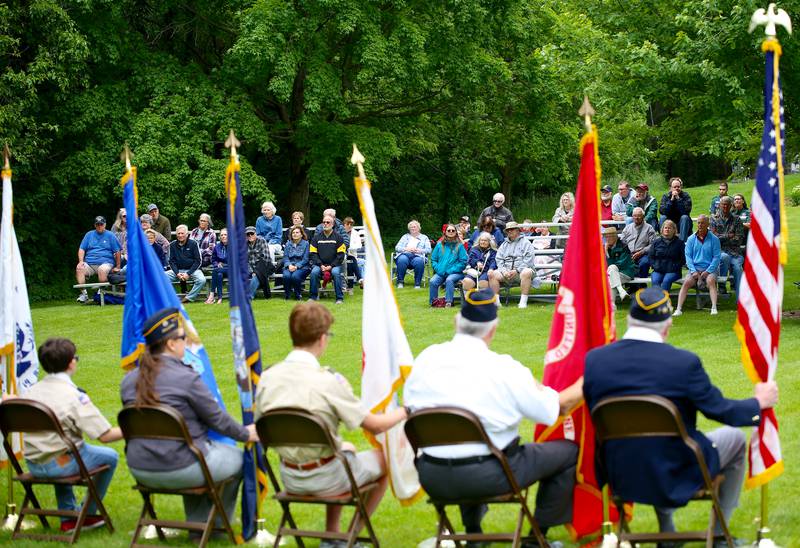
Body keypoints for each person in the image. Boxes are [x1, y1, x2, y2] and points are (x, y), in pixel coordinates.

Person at [583, 287, 778, 546]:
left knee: (656, 444)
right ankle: (719, 534)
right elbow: (720, 410)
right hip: (676, 468)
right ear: (667, 326)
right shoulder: (683, 363)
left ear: (629, 320)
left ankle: (668, 533)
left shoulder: (595, 361)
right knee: (733, 439)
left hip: (619, 471)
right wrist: (757, 403)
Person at [404, 288, 582, 547]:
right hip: (490, 474)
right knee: (568, 452)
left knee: (465, 441)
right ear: (493, 329)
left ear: (456, 321)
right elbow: (556, 409)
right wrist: (587, 379)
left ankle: (473, 533)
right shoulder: (505, 368)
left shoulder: (425, 359)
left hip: (432, 475)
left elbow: (410, 407)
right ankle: (537, 536)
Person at [255, 302, 406, 547]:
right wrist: (406, 410)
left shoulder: (268, 377)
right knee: (384, 459)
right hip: (327, 477)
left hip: (289, 476)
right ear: (323, 338)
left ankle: (332, 535)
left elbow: (261, 426)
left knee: (343, 451)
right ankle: (350, 536)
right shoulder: (327, 381)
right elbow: (375, 425)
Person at [121, 308, 257, 538]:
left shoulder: (128, 380)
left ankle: (198, 525)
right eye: (183, 338)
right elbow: (217, 420)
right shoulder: (186, 377)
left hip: (140, 467)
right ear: (171, 344)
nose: (187, 342)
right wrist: (247, 434)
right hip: (180, 467)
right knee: (240, 458)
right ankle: (216, 528)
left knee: (192, 451)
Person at [11, 338, 122, 533]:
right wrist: (133, 428)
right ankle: (86, 514)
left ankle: (68, 518)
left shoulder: (30, 392)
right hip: (61, 464)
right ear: (71, 362)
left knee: (64, 447)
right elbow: (105, 436)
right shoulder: (73, 396)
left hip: (34, 463)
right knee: (109, 456)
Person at [673, 214, 721, 316]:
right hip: (695, 268)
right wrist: (693, 270)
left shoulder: (714, 239)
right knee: (687, 282)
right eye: (698, 223)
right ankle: (678, 309)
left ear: (707, 224)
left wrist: (708, 271)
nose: (700, 225)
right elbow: (688, 257)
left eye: (702, 223)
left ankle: (714, 307)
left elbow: (716, 258)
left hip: (710, 268)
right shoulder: (691, 239)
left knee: (710, 281)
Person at [489, 221, 541, 309]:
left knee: (527, 272)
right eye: (508, 230)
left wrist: (517, 270)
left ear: (518, 230)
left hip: (521, 272)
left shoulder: (526, 243)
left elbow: (529, 260)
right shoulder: (504, 245)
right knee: (492, 274)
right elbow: (499, 259)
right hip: (507, 272)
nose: (509, 231)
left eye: (512, 229)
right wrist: (504, 271)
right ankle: (496, 303)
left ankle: (523, 302)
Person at [76, 216, 122, 303]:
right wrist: (81, 261)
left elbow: (117, 251)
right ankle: (84, 294)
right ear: (95, 225)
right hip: (89, 263)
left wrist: (118, 266)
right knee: (79, 268)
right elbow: (81, 249)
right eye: (97, 224)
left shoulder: (110, 235)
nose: (99, 226)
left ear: (105, 225)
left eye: (101, 224)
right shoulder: (89, 235)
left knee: (102, 270)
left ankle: (101, 292)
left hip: (106, 262)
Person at [711, 196, 745, 295]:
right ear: (720, 205)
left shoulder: (737, 219)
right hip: (720, 251)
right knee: (724, 257)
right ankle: (722, 287)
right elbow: (714, 239)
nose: (725, 206)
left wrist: (721, 237)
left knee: (738, 268)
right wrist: (728, 236)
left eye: (727, 204)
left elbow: (739, 239)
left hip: (735, 253)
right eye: (723, 204)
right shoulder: (714, 219)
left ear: (731, 206)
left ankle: (740, 296)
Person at [309, 214, 346, 304]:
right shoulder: (316, 238)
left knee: (336, 273)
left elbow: (341, 255)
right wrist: (320, 265)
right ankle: (313, 297)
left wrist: (331, 266)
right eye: (324, 222)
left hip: (334, 265)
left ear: (332, 224)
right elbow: (313, 254)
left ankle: (339, 298)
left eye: (328, 222)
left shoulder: (339, 238)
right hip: (320, 265)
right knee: (314, 273)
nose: (325, 224)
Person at [429, 223, 467, 308]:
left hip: (456, 273)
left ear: (456, 233)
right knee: (433, 281)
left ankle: (448, 302)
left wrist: (451, 270)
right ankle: (434, 302)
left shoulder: (460, 246)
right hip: (441, 272)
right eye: (449, 230)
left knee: (449, 279)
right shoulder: (439, 245)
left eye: (453, 230)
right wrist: (438, 269)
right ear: (445, 232)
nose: (451, 232)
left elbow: (463, 262)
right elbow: (433, 259)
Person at [166, 225, 206, 303]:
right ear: (176, 234)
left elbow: (198, 261)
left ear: (187, 234)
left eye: (182, 233)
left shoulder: (193, 244)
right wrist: (177, 273)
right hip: (178, 271)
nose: (180, 235)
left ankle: (189, 298)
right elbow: (171, 261)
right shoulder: (172, 245)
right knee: (161, 277)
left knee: (202, 280)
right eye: (178, 233)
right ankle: (170, 298)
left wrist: (188, 273)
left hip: (192, 270)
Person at [620, 207, 657, 278]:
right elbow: (622, 241)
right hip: (629, 254)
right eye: (634, 216)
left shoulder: (649, 228)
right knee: (622, 263)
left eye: (639, 216)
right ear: (632, 216)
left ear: (643, 216)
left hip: (643, 254)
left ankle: (642, 280)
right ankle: (633, 279)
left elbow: (653, 245)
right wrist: (627, 253)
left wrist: (641, 252)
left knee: (645, 263)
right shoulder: (627, 228)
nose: (636, 218)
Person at [648, 220, 685, 291]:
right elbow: (650, 257)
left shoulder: (679, 243)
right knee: (655, 281)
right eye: (665, 228)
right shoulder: (656, 242)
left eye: (669, 228)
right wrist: (655, 266)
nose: (667, 229)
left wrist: (675, 266)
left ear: (674, 230)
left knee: (666, 281)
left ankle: (663, 298)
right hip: (658, 270)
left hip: (673, 271)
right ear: (662, 230)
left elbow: (683, 259)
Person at [394, 220, 431, 289]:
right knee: (402, 259)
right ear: (409, 229)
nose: (413, 228)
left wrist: (419, 250)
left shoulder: (424, 237)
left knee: (419, 261)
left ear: (419, 228)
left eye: (415, 227)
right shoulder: (405, 237)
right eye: (411, 227)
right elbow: (397, 247)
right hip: (405, 255)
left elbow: (429, 250)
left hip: (418, 256)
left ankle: (417, 284)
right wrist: (406, 249)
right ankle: (400, 282)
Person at [603, 226, 636, 301]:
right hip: (614, 273)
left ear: (615, 236)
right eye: (606, 237)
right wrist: (607, 253)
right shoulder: (607, 248)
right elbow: (607, 265)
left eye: (609, 236)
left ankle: (612, 304)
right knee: (611, 278)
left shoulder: (623, 246)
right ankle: (621, 292)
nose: (607, 239)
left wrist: (612, 267)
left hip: (626, 272)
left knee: (611, 276)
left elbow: (622, 264)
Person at [659, 177, 693, 241]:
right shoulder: (666, 196)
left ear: (681, 187)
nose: (677, 188)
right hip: (669, 224)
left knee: (685, 217)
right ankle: (663, 241)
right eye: (674, 187)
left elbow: (686, 211)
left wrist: (678, 199)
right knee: (662, 217)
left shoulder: (686, 196)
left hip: (682, 224)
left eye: (678, 187)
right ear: (670, 188)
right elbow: (663, 211)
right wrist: (671, 200)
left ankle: (682, 242)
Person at [282, 225, 311, 300]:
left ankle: (298, 295)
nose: (295, 234)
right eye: (293, 233)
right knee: (286, 276)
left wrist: (296, 266)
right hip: (289, 266)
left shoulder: (306, 244)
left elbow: (306, 259)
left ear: (301, 234)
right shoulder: (288, 244)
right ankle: (287, 295)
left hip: (303, 267)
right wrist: (289, 265)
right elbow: (285, 257)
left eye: (297, 232)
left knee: (295, 276)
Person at [246, 225, 274, 300]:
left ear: (256, 234)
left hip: (264, 266)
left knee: (256, 276)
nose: (250, 235)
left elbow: (265, 258)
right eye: (248, 234)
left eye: (252, 233)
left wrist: (256, 271)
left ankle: (249, 297)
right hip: (251, 268)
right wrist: (252, 271)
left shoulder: (262, 241)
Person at [206, 227, 228, 304]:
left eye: (225, 234)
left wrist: (223, 264)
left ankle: (211, 295)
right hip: (220, 270)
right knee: (219, 275)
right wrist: (217, 264)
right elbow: (213, 259)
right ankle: (220, 298)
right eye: (222, 235)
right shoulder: (217, 247)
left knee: (215, 271)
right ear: (219, 237)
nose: (223, 236)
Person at [342, 216, 364, 290]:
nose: (349, 226)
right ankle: (360, 279)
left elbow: (359, 245)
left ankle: (350, 286)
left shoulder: (355, 233)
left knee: (351, 261)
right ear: (344, 224)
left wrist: (349, 248)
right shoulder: (340, 232)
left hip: (351, 253)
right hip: (341, 254)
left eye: (351, 224)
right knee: (351, 262)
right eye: (347, 224)